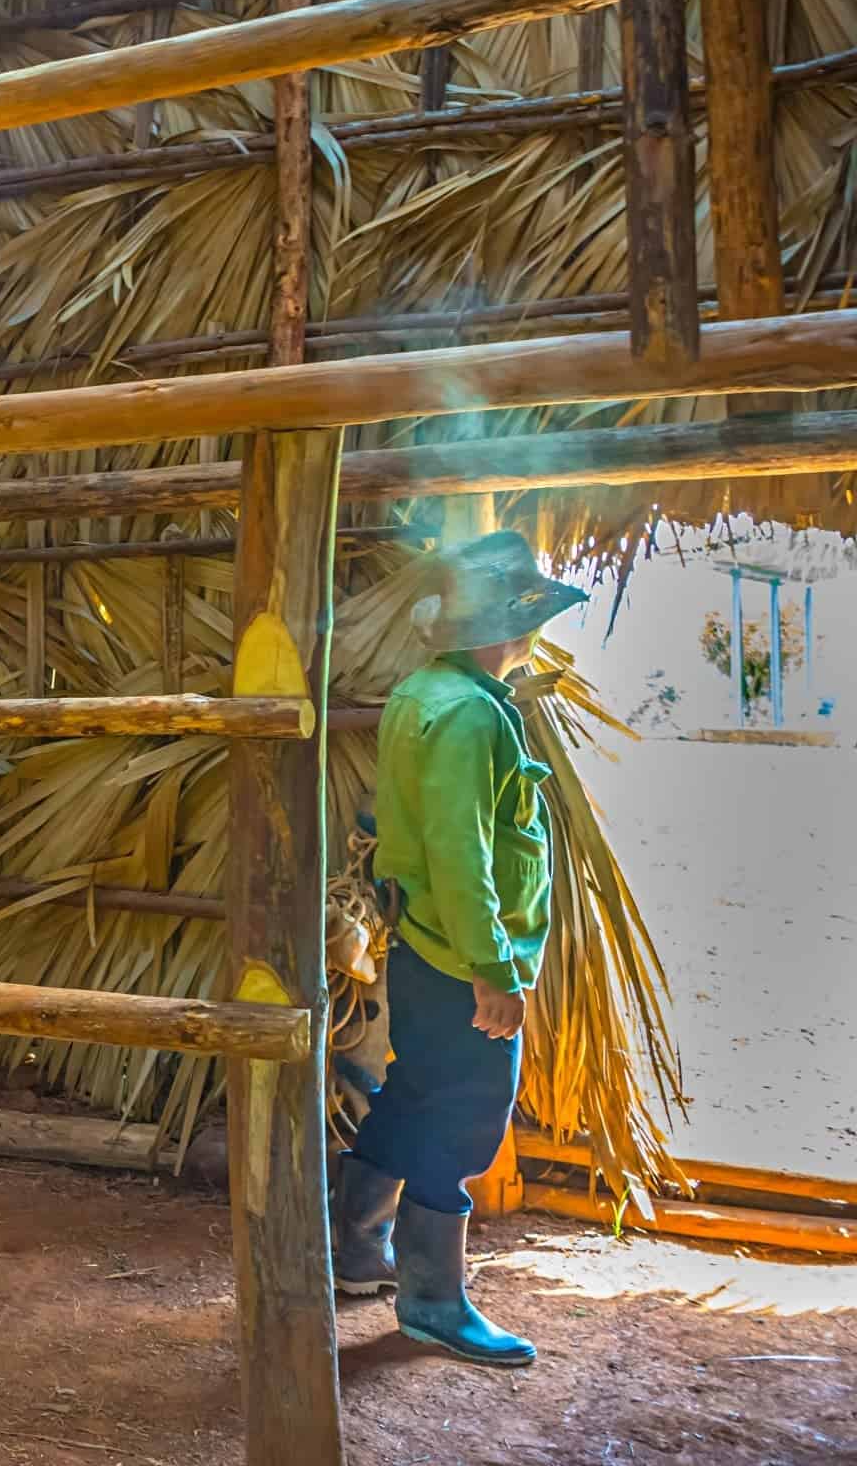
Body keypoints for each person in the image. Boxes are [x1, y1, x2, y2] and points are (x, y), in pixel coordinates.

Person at [329, 530, 587, 1367]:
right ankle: (434, 1302)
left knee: (414, 1092)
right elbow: (461, 855)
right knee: (466, 1117)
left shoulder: (424, 691)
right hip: (460, 957)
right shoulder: (472, 713)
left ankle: (356, 1247)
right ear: (510, 628)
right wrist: (495, 971)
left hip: (426, 944)